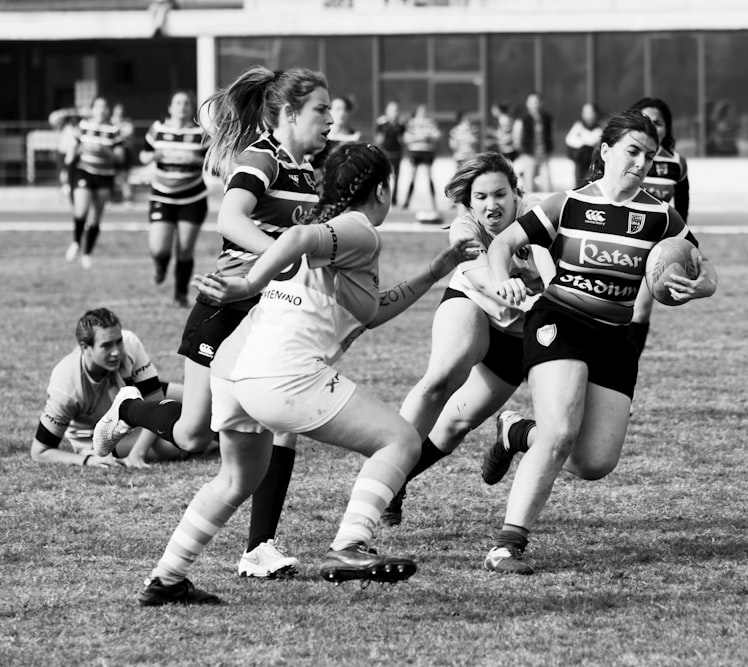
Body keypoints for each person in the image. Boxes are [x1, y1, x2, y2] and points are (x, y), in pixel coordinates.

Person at [129, 142, 477, 605]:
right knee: (402, 440)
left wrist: (437, 269)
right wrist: (249, 283)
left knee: (236, 480)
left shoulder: (328, 227)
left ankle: (166, 579)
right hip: (279, 374)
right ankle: (350, 546)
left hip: (235, 368)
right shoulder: (359, 229)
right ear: (382, 189)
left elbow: (370, 312)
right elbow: (292, 243)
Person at [93, 66, 332, 580]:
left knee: (282, 422)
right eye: (322, 109)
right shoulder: (260, 158)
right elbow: (231, 219)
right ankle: (131, 408)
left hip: (272, 313)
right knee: (192, 433)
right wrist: (279, 256)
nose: (331, 119)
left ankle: (260, 547)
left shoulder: (307, 171)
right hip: (227, 307)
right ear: (290, 113)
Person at [479, 111, 718, 574]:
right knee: (562, 431)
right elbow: (501, 245)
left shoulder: (660, 216)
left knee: (593, 462)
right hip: (560, 321)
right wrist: (500, 280)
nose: (641, 162)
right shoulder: (566, 203)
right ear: (606, 151)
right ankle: (507, 545)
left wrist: (702, 286)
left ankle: (516, 432)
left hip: (615, 337)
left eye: (648, 155)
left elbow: (703, 266)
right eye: (632, 151)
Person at [382, 151, 556, 526]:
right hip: (472, 304)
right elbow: (479, 276)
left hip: (518, 334)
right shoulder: (464, 227)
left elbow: (550, 272)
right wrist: (505, 283)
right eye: (481, 197)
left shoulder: (537, 217)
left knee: (455, 426)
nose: (491, 205)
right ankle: (386, 473)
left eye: (500, 194)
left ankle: (400, 480)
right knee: (441, 378)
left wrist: (542, 286)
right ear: (468, 201)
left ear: (516, 193)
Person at [31, 308, 184, 469]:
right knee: (175, 442)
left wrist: (137, 454)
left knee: (201, 400)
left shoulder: (130, 343)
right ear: (85, 347)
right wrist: (88, 460)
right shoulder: (66, 386)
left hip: (136, 406)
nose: (116, 352)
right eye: (106, 346)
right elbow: (40, 451)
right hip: (103, 437)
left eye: (119, 341)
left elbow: (157, 402)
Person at [624, 97, 691, 356]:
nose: (652, 127)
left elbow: (682, 208)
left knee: (640, 311)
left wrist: (680, 244)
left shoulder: (676, 162)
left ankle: (627, 367)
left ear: (667, 128)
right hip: (617, 244)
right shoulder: (620, 157)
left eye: (658, 123)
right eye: (645, 121)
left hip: (653, 249)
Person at [141, 90, 209, 308]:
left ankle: (180, 295)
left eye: (187, 103)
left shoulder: (202, 133)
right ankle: (160, 265)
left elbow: (214, 163)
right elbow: (143, 155)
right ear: (170, 107)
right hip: (162, 194)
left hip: (192, 197)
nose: (182, 106)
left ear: (192, 108)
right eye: (178, 102)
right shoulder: (157, 129)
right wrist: (155, 156)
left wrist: (196, 159)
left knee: (185, 248)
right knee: (159, 248)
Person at [63, 97, 126, 269]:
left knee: (96, 217)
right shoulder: (83, 126)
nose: (101, 110)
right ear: (92, 109)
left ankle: (87, 253)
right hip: (85, 172)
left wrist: (106, 151)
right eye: (98, 106)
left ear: (108, 110)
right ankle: (76, 242)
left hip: (105, 176)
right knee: (81, 210)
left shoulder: (114, 130)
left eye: (104, 107)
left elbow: (120, 157)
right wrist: (76, 152)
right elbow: (73, 150)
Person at [513, 92, 554, 193]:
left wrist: (549, 149)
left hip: (543, 155)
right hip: (529, 155)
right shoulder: (522, 119)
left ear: (541, 103)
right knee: (529, 184)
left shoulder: (547, 118)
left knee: (547, 184)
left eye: (536, 102)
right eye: (532, 102)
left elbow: (551, 134)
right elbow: (516, 136)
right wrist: (521, 152)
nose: (534, 105)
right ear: (527, 104)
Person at [402, 104, 441, 209]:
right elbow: (406, 138)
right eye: (420, 111)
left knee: (429, 177)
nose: (422, 113)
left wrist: (427, 136)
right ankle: (406, 202)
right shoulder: (411, 123)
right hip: (415, 152)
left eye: (424, 111)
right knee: (412, 177)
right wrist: (420, 137)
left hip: (427, 151)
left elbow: (437, 135)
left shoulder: (430, 123)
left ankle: (434, 203)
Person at [375, 99, 406, 205]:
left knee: (397, 178)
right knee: (384, 178)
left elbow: (402, 140)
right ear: (387, 111)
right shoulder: (382, 123)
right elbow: (379, 139)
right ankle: (383, 198)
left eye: (396, 110)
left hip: (396, 154)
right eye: (392, 110)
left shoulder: (401, 125)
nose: (394, 112)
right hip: (385, 154)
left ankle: (394, 199)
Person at [564, 102, 603, 188]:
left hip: (592, 162)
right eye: (585, 112)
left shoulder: (599, 129)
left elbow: (595, 141)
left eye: (589, 112)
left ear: (595, 114)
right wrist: (583, 142)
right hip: (580, 161)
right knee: (578, 185)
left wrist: (583, 139)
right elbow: (569, 140)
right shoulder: (578, 126)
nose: (587, 115)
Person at [111, 102, 136, 206]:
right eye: (117, 110)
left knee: (124, 177)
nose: (119, 113)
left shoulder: (127, 122)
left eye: (121, 111)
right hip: (110, 152)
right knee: (110, 176)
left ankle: (127, 199)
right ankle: (110, 199)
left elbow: (127, 133)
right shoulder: (109, 122)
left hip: (125, 153)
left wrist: (117, 133)